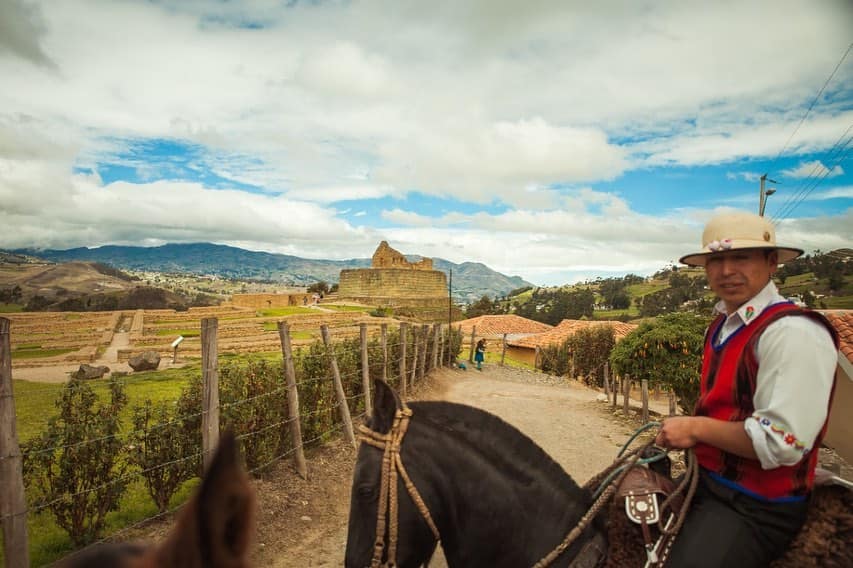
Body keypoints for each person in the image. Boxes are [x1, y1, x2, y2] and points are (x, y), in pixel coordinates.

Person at [655, 211, 839, 567]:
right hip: (708, 483)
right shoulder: (722, 325)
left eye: (740, 257)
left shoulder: (793, 333)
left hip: (755, 506)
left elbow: (783, 442)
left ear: (772, 263)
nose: (726, 271)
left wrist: (694, 428)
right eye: (717, 260)